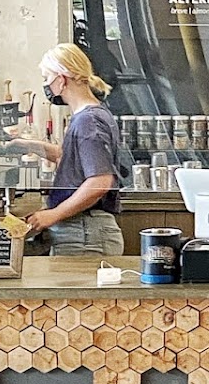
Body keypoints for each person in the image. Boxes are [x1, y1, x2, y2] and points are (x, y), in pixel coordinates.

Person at [11, 45, 126, 257]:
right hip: (81, 231)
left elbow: (100, 181)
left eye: (47, 78)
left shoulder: (88, 121)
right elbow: (70, 158)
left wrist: (53, 214)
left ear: (62, 79)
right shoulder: (90, 115)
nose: (46, 85)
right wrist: (28, 145)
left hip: (85, 234)